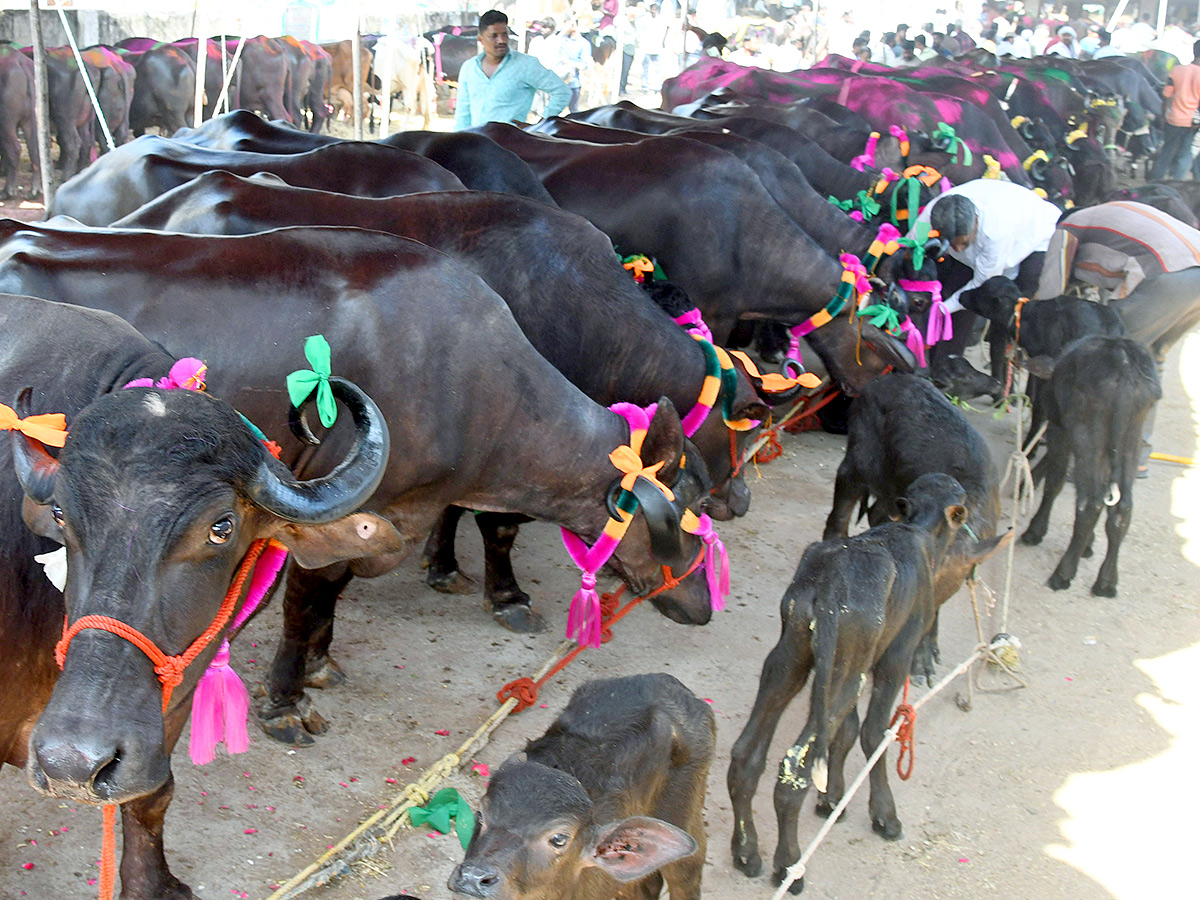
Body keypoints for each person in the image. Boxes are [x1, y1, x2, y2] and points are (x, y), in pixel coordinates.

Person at [908, 180, 1062, 360]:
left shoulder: (995, 233)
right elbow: (908, 249)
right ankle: (935, 356)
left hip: (1037, 232)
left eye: (963, 242)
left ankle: (990, 362)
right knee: (951, 287)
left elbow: (980, 288)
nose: (957, 248)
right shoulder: (931, 215)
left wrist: (942, 310)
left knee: (1004, 305)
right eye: (951, 242)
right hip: (994, 230)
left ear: (975, 222)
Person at [454, 9, 572, 130]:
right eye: (493, 36)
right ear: (481, 39)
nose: (501, 40)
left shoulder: (526, 65)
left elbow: (562, 91)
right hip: (478, 144)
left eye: (504, 34)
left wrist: (541, 125)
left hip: (512, 145)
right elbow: (463, 114)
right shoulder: (469, 68)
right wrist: (459, 143)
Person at [1150, 40, 1200, 180]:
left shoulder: (1177, 70)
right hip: (1192, 122)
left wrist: (1163, 116)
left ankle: (1156, 181)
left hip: (1173, 119)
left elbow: (1166, 95)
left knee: (1167, 152)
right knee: (1185, 154)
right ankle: (1177, 183)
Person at [556, 17, 592, 112]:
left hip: (572, 81)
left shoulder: (584, 43)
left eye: (566, 26)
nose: (564, 29)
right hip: (558, 80)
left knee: (573, 109)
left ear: (573, 27)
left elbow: (584, 64)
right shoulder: (561, 40)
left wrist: (570, 63)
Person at [637, 3, 668, 91]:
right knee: (645, 68)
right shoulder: (644, 19)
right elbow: (640, 31)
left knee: (656, 68)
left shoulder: (661, 19)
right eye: (653, 8)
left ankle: (656, 87)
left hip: (657, 47)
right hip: (646, 46)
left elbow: (663, 32)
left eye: (656, 8)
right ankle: (645, 86)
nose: (654, 10)